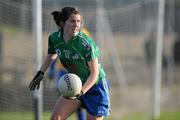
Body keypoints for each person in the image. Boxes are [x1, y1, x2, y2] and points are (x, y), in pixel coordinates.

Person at [29, 6, 110, 120]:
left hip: (95, 87)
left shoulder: (86, 45)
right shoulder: (54, 38)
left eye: (78, 21)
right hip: (75, 84)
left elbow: (94, 73)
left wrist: (81, 92)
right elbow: (52, 53)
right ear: (62, 23)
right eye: (72, 21)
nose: (76, 24)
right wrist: (41, 72)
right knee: (55, 118)